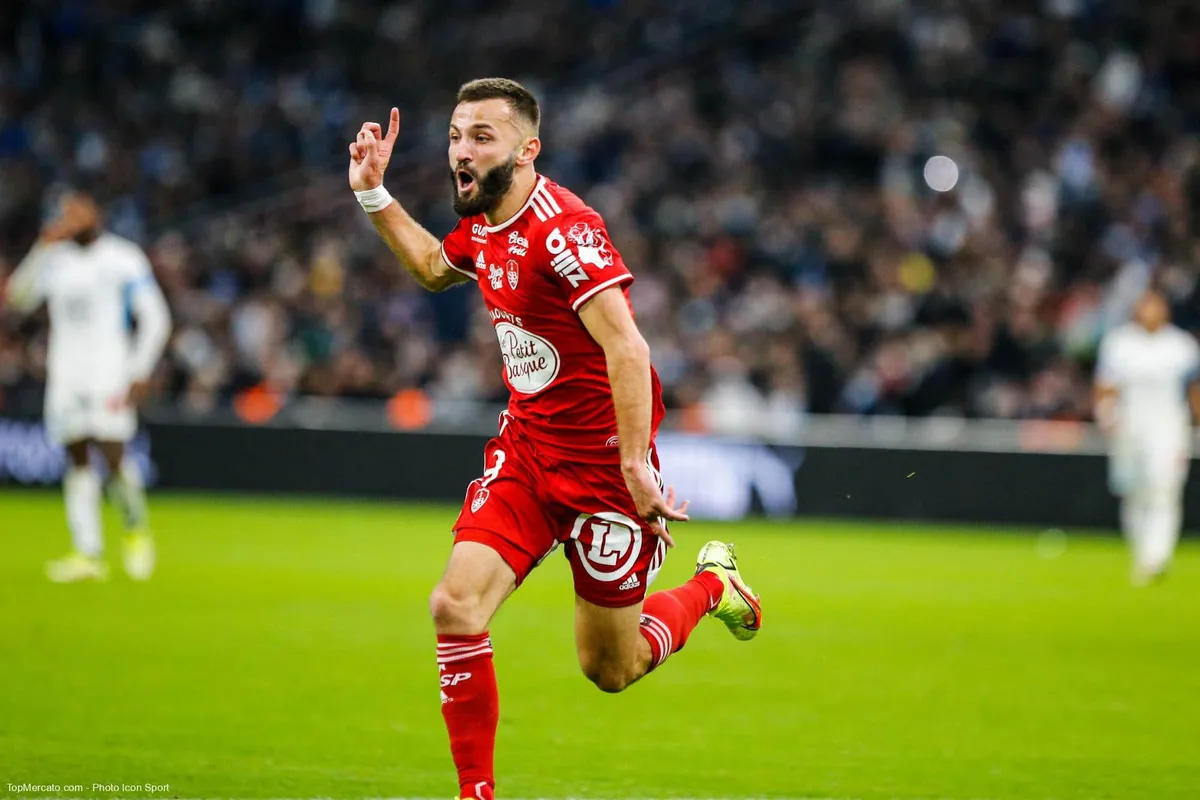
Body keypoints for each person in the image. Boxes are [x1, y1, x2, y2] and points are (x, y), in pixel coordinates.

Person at [348, 78, 762, 800]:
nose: (461, 151)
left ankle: (712, 585)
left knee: (612, 669)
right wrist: (373, 196)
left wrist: (635, 461)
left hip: (604, 472)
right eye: (454, 135)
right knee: (454, 605)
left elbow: (628, 349)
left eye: (482, 136)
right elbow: (431, 267)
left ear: (527, 148)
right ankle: (475, 793)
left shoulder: (564, 229)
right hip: (530, 453)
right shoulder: (481, 220)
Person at [3, 190, 172, 583]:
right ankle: (88, 553)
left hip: (109, 374)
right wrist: (42, 248)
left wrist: (139, 371)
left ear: (96, 214)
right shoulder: (54, 261)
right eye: (66, 213)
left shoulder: (122, 257)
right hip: (65, 376)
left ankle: (135, 530)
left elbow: (156, 317)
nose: (73, 218)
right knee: (76, 459)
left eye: (79, 211)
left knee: (114, 459)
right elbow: (17, 298)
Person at [1094, 289, 1200, 586]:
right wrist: (1105, 413)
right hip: (1129, 426)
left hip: (1168, 428)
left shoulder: (1181, 345)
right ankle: (1142, 553)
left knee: (1164, 489)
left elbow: (1193, 390)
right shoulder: (1119, 343)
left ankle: (1157, 556)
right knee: (1133, 491)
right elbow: (1106, 385)